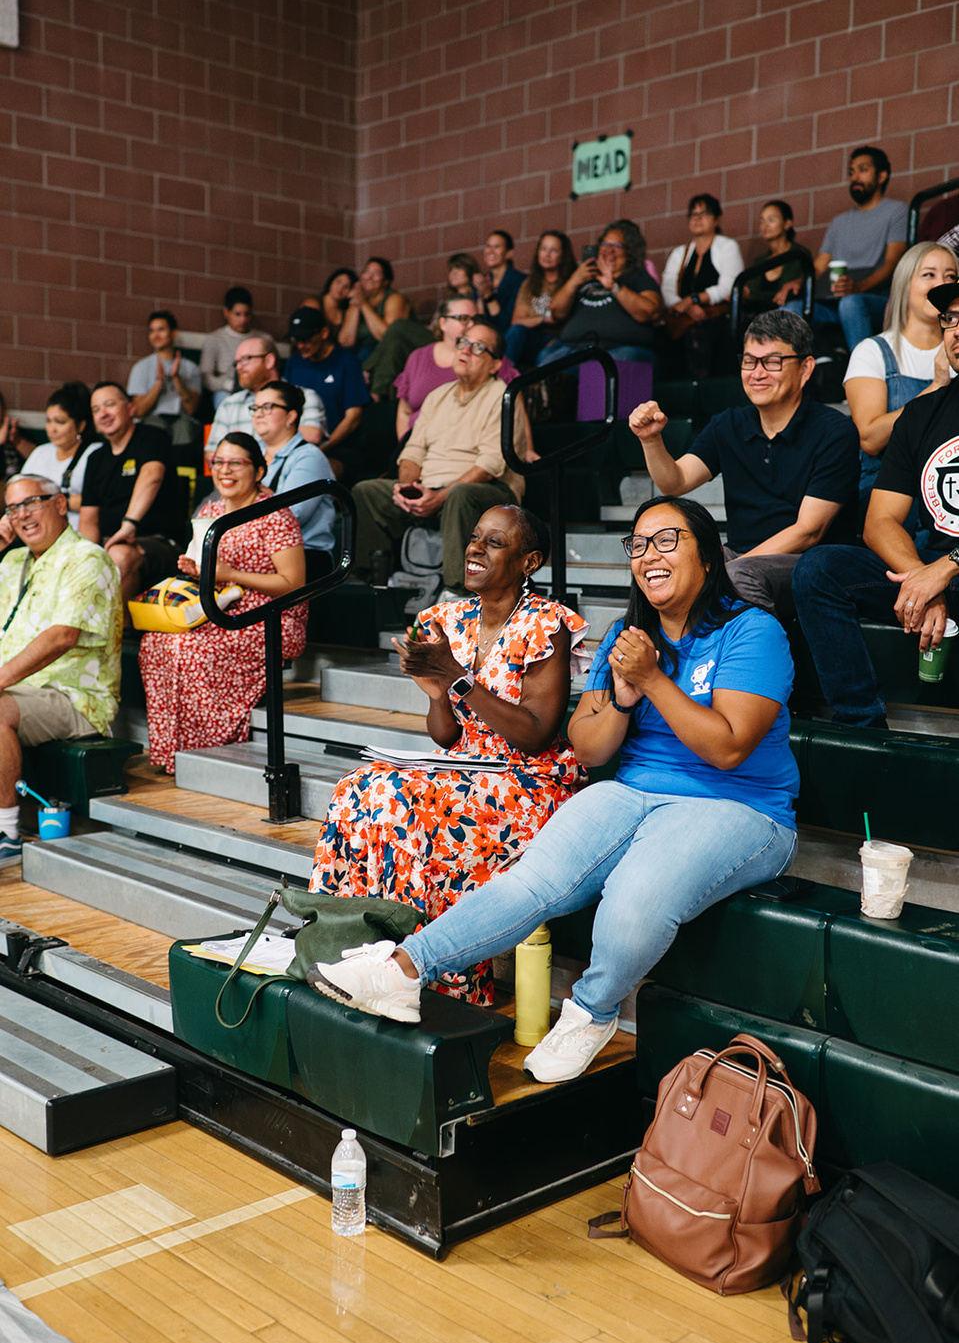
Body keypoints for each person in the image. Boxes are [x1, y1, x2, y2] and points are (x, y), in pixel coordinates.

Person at [308, 496, 798, 1082]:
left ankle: (591, 1012)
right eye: (639, 544)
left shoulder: (752, 631)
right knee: (531, 880)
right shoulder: (627, 635)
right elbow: (589, 748)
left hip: (739, 806)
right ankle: (403, 971)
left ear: (710, 557)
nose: (649, 555)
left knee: (633, 897)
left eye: (667, 540)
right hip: (633, 792)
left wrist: (652, 680)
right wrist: (622, 698)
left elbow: (729, 747)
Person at [310, 505, 588, 1006]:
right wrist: (438, 695)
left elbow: (535, 734)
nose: (475, 548)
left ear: (529, 561)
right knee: (358, 788)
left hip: (528, 781)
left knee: (407, 804)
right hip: (462, 768)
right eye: (475, 538)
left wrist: (458, 678)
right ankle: (357, 950)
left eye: (495, 542)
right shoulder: (449, 619)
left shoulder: (547, 623)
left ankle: (437, 984)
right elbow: (445, 736)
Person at [793, 281, 959, 730]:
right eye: (951, 319)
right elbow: (880, 521)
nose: (957, 330)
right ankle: (861, 730)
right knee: (820, 568)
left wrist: (945, 569)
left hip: (948, 568)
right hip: (933, 570)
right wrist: (924, 580)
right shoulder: (922, 414)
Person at [629, 310, 859, 617]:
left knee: (738, 576)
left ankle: (749, 649)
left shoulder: (834, 431)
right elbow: (676, 481)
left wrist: (727, 569)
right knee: (661, 562)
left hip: (810, 562)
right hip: (741, 555)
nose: (757, 373)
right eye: (749, 361)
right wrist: (650, 440)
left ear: (805, 369)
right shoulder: (729, 424)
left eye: (772, 362)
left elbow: (808, 531)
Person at [138, 432, 307, 774]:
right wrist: (196, 571)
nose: (224, 470)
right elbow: (209, 568)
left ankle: (207, 752)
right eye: (218, 462)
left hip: (268, 615)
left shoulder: (275, 514)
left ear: (259, 471)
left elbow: (293, 584)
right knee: (155, 643)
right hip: (218, 609)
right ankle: (173, 754)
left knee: (188, 650)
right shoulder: (211, 510)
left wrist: (232, 574)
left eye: (236, 463)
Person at [352, 318, 527, 595]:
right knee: (367, 492)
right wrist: (409, 488)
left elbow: (490, 464)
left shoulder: (504, 397)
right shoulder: (437, 396)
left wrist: (440, 496)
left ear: (495, 364)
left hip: (487, 491)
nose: (466, 350)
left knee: (460, 496)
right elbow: (413, 451)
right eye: (463, 342)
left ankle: (456, 590)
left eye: (478, 347)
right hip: (430, 488)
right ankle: (376, 582)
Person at [0, 475, 122, 863]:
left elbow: (62, 636)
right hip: (19, 689)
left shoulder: (86, 558)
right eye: (12, 508)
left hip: (74, 697)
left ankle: (6, 832)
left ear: (59, 504)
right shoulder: (13, 561)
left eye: (30, 503)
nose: (22, 515)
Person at [844, 241, 958, 505]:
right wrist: (937, 386)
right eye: (928, 274)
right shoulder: (872, 351)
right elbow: (870, 439)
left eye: (950, 276)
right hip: (887, 489)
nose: (941, 284)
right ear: (904, 284)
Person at [787, 146, 908, 352]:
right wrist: (797, 283)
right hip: (836, 301)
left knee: (851, 304)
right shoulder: (839, 222)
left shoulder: (897, 211)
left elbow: (892, 263)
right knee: (791, 309)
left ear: (882, 176)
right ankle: (816, 365)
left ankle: (863, 368)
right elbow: (819, 266)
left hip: (877, 300)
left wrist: (858, 287)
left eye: (863, 170)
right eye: (851, 172)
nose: (855, 177)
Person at [80, 382, 188, 601]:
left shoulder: (152, 437)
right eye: (96, 409)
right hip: (110, 543)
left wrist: (129, 525)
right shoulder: (95, 458)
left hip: (160, 542)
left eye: (110, 404)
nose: (103, 413)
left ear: (130, 408)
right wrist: (86, 554)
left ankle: (120, 624)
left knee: (119, 555)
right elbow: (88, 519)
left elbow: (152, 475)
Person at [539, 219, 662, 366]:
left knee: (602, 368)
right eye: (605, 244)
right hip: (574, 348)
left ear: (629, 251)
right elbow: (556, 312)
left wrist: (613, 286)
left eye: (617, 245)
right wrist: (574, 281)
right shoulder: (584, 277)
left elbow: (650, 312)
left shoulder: (637, 276)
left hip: (620, 349)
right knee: (546, 366)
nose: (609, 250)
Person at [394, 295, 518, 439]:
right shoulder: (418, 357)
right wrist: (404, 447)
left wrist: (526, 446)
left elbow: (515, 402)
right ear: (443, 323)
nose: (471, 324)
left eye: (476, 319)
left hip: (462, 444)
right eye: (463, 318)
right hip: (416, 444)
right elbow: (404, 411)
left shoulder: (487, 357)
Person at [252, 381, 336, 576]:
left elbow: (291, 517)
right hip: (259, 552)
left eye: (267, 407)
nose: (258, 414)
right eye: (255, 408)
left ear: (291, 416)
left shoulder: (309, 457)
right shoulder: (253, 454)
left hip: (305, 558)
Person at [662, 193, 745, 377]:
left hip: (716, 317)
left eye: (704, 213)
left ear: (716, 219)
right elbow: (667, 288)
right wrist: (687, 307)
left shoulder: (727, 246)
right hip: (684, 318)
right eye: (693, 214)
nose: (697, 218)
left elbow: (729, 285)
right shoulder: (679, 253)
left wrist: (694, 299)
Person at [283, 308, 370, 481]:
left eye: (306, 339)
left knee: (311, 475)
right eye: (296, 340)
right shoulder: (295, 362)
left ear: (323, 333)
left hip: (338, 448)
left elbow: (353, 417)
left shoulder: (346, 362)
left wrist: (323, 447)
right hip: (298, 445)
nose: (300, 345)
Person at [207, 334, 325, 453]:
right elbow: (212, 452)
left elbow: (313, 436)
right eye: (236, 362)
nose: (238, 367)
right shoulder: (229, 404)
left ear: (269, 361)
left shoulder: (304, 396)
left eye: (246, 359)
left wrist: (250, 449)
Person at [19, 382, 94, 531]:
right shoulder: (40, 452)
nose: (52, 429)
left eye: (60, 422)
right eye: (48, 421)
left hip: (77, 532)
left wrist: (49, 502)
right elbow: (20, 491)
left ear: (81, 425)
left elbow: (100, 500)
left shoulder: (94, 453)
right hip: (36, 531)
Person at [126, 310, 202, 450]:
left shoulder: (191, 367)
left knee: (185, 429)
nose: (156, 335)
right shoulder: (140, 367)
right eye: (152, 331)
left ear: (173, 333)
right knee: (151, 431)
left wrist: (176, 378)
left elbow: (191, 409)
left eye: (161, 330)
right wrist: (158, 384)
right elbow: (139, 411)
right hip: (152, 420)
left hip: (181, 421)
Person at [504, 230, 577, 366]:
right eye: (543, 249)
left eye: (553, 250)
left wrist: (534, 319)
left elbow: (559, 317)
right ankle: (504, 374)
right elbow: (516, 321)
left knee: (546, 354)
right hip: (533, 337)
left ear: (563, 255)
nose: (547, 255)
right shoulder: (529, 283)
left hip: (559, 339)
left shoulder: (570, 282)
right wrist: (542, 319)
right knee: (516, 331)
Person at [742, 200, 811, 312]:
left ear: (787, 224)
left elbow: (795, 292)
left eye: (771, 220)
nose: (765, 226)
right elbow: (752, 294)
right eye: (762, 221)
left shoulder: (799, 255)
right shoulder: (760, 262)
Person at [338, 256, 410, 362]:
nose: (369, 277)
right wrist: (356, 304)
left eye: (376, 273)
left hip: (388, 354)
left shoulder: (395, 298)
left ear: (385, 281)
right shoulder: (358, 298)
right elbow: (345, 341)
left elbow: (388, 337)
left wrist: (363, 304)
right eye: (366, 271)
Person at [200, 286, 254, 408]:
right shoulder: (214, 339)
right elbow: (205, 377)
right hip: (227, 391)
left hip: (255, 389)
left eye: (247, 314)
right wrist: (228, 384)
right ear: (226, 312)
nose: (243, 319)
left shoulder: (263, 339)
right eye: (237, 314)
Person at [472, 230, 526, 326]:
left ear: (509, 253)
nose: (490, 251)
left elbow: (505, 323)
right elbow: (478, 320)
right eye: (488, 246)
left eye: (496, 247)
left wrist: (488, 295)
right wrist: (480, 296)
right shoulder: (482, 281)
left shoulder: (520, 281)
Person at [319, 268, 358, 339]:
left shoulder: (345, 313)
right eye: (338, 282)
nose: (340, 288)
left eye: (346, 287)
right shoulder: (314, 303)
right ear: (331, 282)